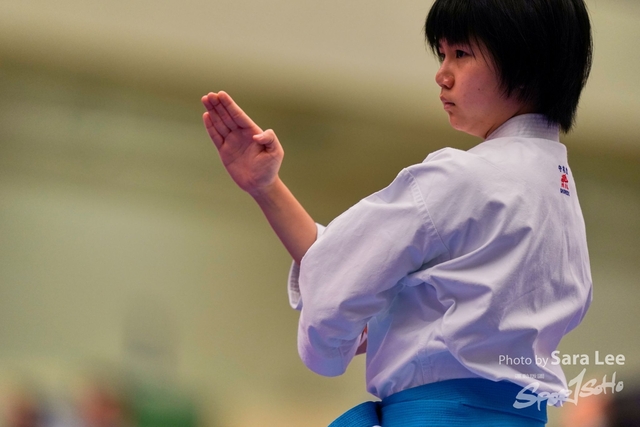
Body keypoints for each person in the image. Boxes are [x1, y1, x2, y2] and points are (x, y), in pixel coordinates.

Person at [201, 0, 593, 425]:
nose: (442, 75)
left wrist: (332, 344)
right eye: (442, 55)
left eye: (461, 54)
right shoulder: (560, 195)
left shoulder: (463, 177)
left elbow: (340, 280)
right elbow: (351, 262)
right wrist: (267, 188)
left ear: (524, 59)